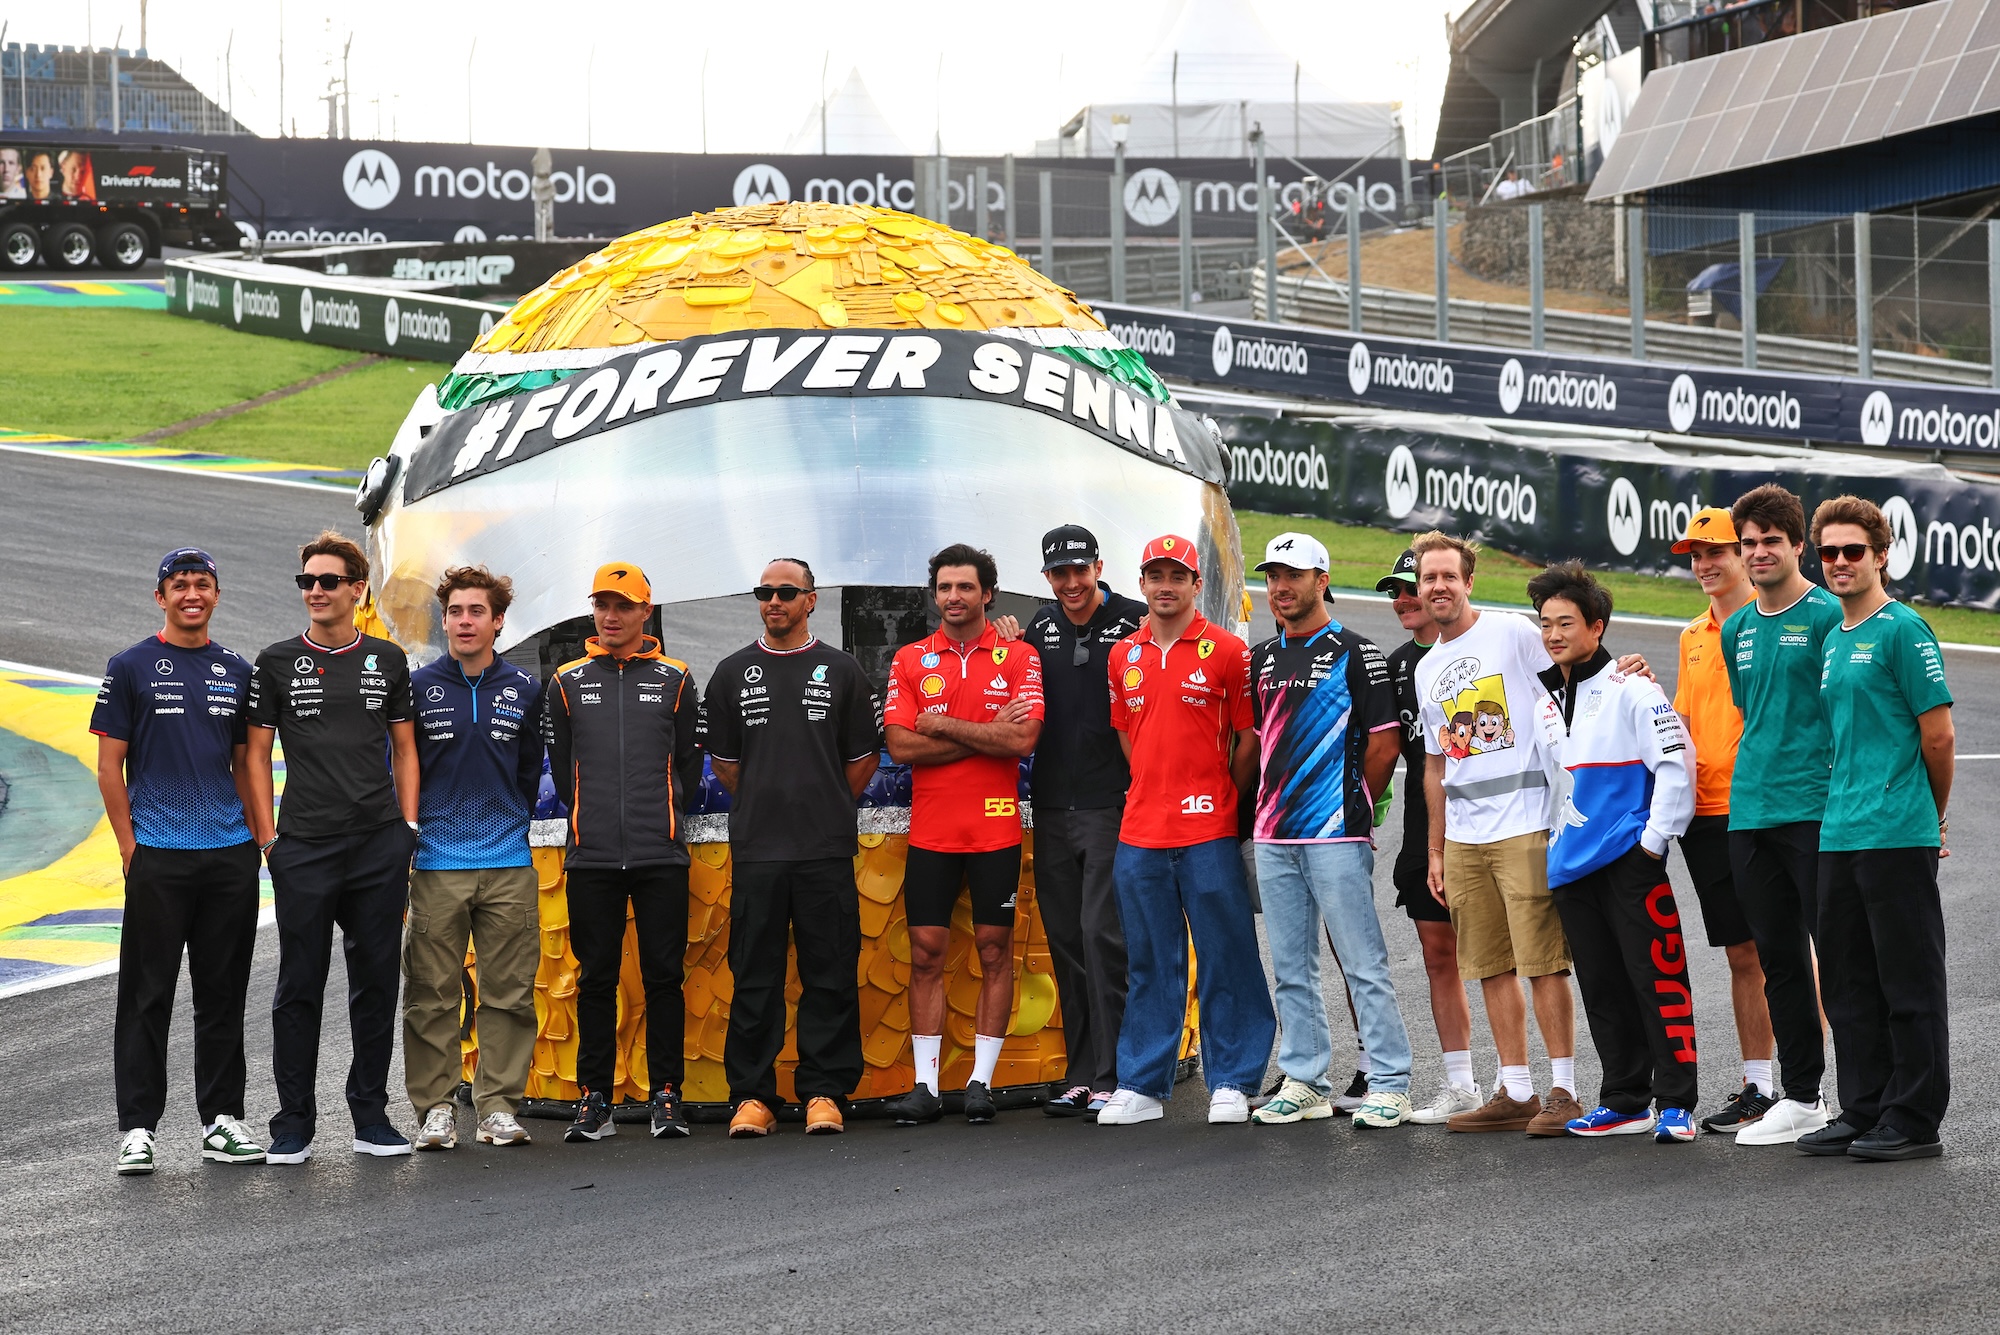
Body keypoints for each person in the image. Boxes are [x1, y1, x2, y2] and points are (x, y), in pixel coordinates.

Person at [245, 531, 419, 1164]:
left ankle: (370, 1116)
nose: (315, 591)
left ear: (356, 589)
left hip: (378, 845)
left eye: (327, 581)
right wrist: (270, 839)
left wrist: (406, 828)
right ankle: (292, 1123)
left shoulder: (387, 659)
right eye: (306, 582)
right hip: (305, 846)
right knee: (299, 984)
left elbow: (405, 747)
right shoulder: (276, 660)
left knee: (375, 981)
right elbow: (257, 754)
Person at [93, 548, 265, 1175]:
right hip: (158, 855)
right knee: (147, 994)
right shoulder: (130, 666)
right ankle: (137, 1128)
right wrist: (129, 846)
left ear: (216, 594)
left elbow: (248, 764)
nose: (192, 594)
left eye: (203, 584)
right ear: (160, 597)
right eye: (179, 584)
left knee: (222, 993)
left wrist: (255, 839)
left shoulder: (235, 669)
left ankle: (222, 1120)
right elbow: (110, 767)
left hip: (227, 856)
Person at [1096, 535, 1277, 1127]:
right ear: (1142, 584)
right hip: (1141, 829)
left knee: (1227, 953)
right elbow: (1128, 735)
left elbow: (1249, 739)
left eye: (1178, 575)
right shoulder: (1123, 655)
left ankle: (1233, 1079)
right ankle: (1143, 1083)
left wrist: (1221, 791)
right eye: (1156, 576)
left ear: (1197, 585)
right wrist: (1153, 783)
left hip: (1209, 828)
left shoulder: (1227, 651)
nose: (1166, 586)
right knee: (1149, 958)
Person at [1797, 497, 1954, 1162]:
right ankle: (1863, 1105)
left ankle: (1914, 1116)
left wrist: (1930, 812)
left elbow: (1939, 736)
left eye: (1851, 551)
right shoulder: (1833, 638)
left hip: (1896, 831)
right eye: (1827, 552)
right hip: (1840, 832)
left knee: (1908, 981)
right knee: (1848, 981)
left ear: (1881, 554)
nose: (1837, 563)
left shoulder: (1904, 629)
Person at [705, 559, 881, 1139]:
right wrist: (770, 801)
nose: (773, 601)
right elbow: (727, 766)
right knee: (754, 975)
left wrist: (822, 803)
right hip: (758, 848)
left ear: (811, 600)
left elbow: (861, 762)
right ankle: (753, 1096)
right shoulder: (731, 674)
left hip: (824, 848)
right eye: (764, 592)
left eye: (785, 592)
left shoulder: (844, 670)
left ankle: (824, 1091)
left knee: (828, 972)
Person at [1412, 530, 1581, 1135]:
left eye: (1448, 576)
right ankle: (1516, 1090)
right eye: (1428, 577)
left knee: (1542, 963)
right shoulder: (1428, 669)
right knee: (1488, 966)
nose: (1438, 587)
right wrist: (1437, 847)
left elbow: (1572, 680)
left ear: (1468, 581)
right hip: (1464, 839)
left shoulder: (1511, 632)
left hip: (1527, 825)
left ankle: (1563, 1089)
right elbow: (1436, 765)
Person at [1527, 563, 1699, 1144]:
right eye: (1545, 623)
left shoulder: (1634, 687)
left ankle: (1677, 1102)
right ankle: (1625, 1099)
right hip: (1571, 866)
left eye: (1565, 623)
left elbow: (1677, 765)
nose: (1552, 634)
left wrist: (1653, 843)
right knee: (1602, 987)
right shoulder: (1545, 699)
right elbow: (1554, 786)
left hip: (1631, 860)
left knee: (1658, 979)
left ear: (1596, 627)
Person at [1246, 533, 1414, 1130]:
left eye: (1293, 575)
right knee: (1291, 964)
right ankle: (1306, 1078)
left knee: (1362, 963)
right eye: (1272, 576)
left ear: (1322, 580)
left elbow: (1385, 743)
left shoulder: (1357, 652)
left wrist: (1352, 805)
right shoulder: (1261, 657)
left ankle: (1390, 1081)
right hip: (1273, 833)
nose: (1280, 587)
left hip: (1336, 833)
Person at [880, 544, 1043, 1126]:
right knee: (926, 953)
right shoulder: (909, 659)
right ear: (935, 594)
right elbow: (901, 747)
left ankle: (981, 1082)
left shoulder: (1020, 657)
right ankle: (925, 1086)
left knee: (994, 951)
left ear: (988, 594)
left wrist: (944, 725)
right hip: (933, 831)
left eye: (966, 588)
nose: (954, 597)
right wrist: (983, 733)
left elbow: (1022, 742)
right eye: (945, 588)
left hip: (995, 827)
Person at [545, 562, 703, 1143]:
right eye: (601, 605)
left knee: (664, 977)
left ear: (645, 612)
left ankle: (666, 1094)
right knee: (596, 979)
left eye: (623, 606)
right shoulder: (564, 681)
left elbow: (687, 762)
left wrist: (661, 820)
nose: (610, 616)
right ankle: (594, 1099)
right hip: (591, 856)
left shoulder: (677, 678)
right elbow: (562, 773)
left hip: (660, 854)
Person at [404, 567, 544, 1151]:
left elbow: (531, 771)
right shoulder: (417, 687)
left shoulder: (525, 687)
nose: (465, 621)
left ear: (498, 621)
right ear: (444, 619)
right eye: (456, 611)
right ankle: (436, 1107)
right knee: (431, 991)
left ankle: (497, 1107)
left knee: (508, 991)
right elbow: (402, 767)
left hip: (509, 860)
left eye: (477, 612)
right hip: (436, 863)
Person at [1721, 484, 1843, 1147]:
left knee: (1844, 957)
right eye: (1751, 542)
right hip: (1750, 813)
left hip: (1817, 810)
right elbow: (1752, 711)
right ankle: (1802, 1096)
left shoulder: (1828, 615)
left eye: (1773, 540)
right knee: (1779, 960)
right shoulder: (1737, 626)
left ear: (1800, 545)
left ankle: (1866, 1097)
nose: (1761, 551)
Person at [1019, 525, 1146, 1119]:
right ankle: (1081, 1070)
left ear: (1099, 565)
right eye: (1059, 573)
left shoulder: (1136, 619)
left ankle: (1116, 1071)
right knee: (1066, 938)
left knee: (1103, 935)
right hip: (1049, 806)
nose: (1071, 583)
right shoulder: (1039, 627)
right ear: (1047, 576)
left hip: (1113, 802)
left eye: (1080, 570)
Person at [1669, 508, 1778, 1134]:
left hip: (1768, 807)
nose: (1706, 565)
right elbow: (1683, 725)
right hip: (1708, 813)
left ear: (1747, 554)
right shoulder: (1691, 635)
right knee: (1742, 952)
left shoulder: (1783, 622)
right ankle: (1757, 1086)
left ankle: (1802, 1082)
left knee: (1784, 948)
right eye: (1696, 555)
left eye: (1718, 551)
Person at [1377, 548, 1480, 1125]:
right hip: (1425, 833)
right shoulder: (1394, 666)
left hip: (1490, 826)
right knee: (1439, 956)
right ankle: (1462, 1083)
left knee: (1507, 960)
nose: (1404, 599)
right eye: (1397, 589)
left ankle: (1534, 1082)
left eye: (1412, 587)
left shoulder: (1484, 646)